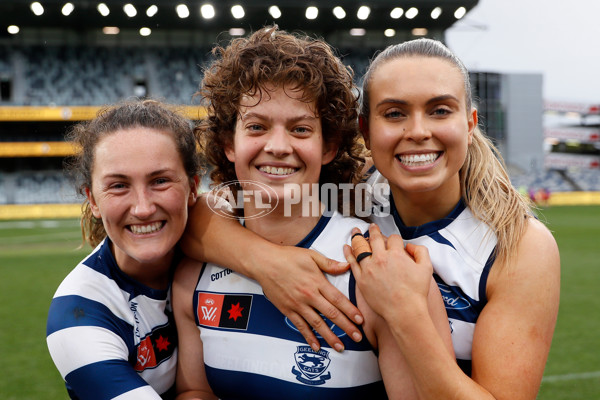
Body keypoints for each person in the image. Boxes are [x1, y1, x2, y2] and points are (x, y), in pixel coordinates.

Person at [172, 26, 453, 400]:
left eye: (301, 129)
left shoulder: (382, 274)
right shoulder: (193, 272)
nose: (277, 146)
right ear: (228, 144)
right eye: (256, 126)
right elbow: (194, 390)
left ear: (329, 146)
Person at [342, 38, 560, 399]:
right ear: (365, 131)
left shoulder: (518, 246)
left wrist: (405, 313)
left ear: (470, 123)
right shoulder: (341, 198)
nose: (418, 131)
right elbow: (221, 211)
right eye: (394, 113)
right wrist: (266, 260)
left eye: (440, 110)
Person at [46, 99, 201, 399]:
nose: (143, 208)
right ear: (93, 200)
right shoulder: (78, 313)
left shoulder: (220, 249)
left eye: (160, 181)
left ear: (193, 187)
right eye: (118, 185)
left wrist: (263, 260)